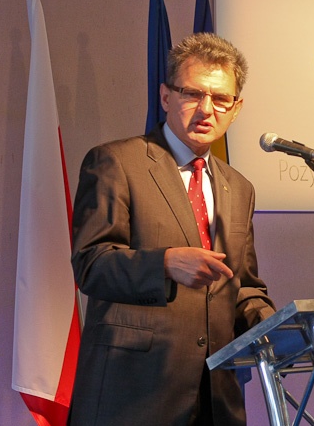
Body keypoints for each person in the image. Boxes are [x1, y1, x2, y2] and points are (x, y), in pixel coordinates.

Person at [68, 33, 275, 425]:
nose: (206, 109)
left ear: (236, 109)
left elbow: (242, 286)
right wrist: (164, 264)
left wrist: (280, 328)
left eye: (221, 99)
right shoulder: (116, 163)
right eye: (192, 94)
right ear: (165, 97)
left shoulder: (238, 187)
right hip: (133, 396)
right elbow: (91, 265)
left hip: (215, 399)